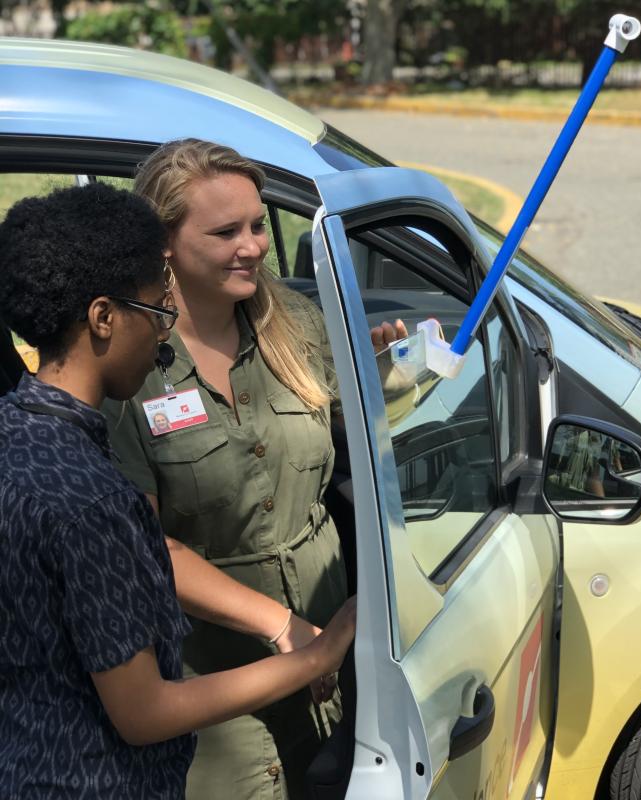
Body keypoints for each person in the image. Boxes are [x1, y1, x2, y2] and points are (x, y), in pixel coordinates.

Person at [0, 182, 356, 799]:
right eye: (156, 315)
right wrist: (314, 659)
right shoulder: (92, 499)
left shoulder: (16, 431)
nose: (164, 335)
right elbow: (145, 714)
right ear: (103, 317)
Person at [103, 138, 404, 799]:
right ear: (164, 246)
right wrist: (279, 625)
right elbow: (148, 547)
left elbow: (344, 436)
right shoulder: (130, 363)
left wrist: (388, 374)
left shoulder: (297, 325)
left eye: (258, 224)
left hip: (331, 656)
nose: (255, 245)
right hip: (211, 682)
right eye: (226, 231)